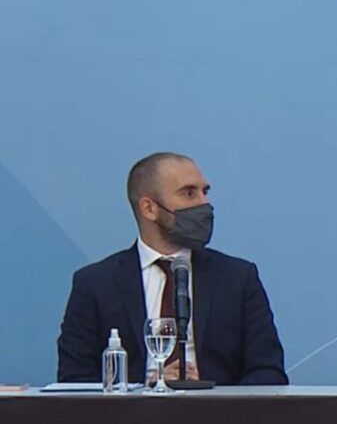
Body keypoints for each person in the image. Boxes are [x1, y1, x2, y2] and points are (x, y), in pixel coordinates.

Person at [57, 152, 288, 385]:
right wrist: (146, 388)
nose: (204, 204)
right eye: (189, 193)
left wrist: (209, 390)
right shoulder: (96, 284)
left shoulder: (237, 278)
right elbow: (74, 380)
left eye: (205, 192)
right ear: (149, 208)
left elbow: (269, 373)